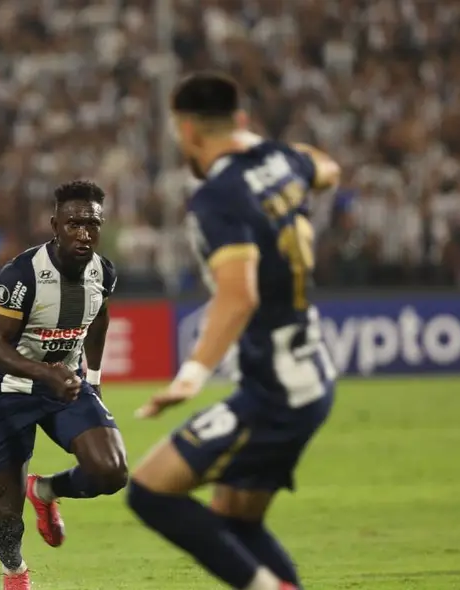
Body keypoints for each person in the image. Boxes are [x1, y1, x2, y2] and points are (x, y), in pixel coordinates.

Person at [126, 72, 341, 590]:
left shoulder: (218, 197)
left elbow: (238, 294)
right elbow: (328, 169)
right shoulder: (281, 161)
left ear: (189, 130)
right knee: (236, 520)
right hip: (310, 373)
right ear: (240, 121)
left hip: (276, 392)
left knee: (151, 492)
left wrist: (192, 375)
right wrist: (276, 156)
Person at [0, 180, 127, 590]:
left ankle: (44, 490)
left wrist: (92, 379)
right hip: (10, 390)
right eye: (74, 223)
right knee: (6, 512)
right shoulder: (22, 275)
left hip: (66, 386)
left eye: (92, 224)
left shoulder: (102, 272)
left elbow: (99, 318)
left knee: (112, 472)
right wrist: (45, 372)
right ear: (54, 225)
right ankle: (15, 573)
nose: (84, 233)